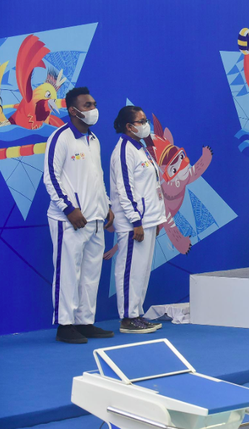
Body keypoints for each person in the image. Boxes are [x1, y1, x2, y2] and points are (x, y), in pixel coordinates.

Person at [43, 87, 115, 344]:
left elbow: (97, 178)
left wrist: (107, 206)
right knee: (68, 272)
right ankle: (65, 325)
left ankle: (85, 322)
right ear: (73, 110)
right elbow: (51, 177)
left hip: (95, 219)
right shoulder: (60, 138)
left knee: (91, 273)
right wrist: (68, 209)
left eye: (94, 103)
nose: (93, 109)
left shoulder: (94, 140)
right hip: (69, 220)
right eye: (87, 105)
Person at [110, 106, 167, 333]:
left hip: (148, 221)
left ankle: (137, 313)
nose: (146, 124)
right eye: (141, 121)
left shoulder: (140, 148)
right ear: (129, 127)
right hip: (134, 223)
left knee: (141, 271)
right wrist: (136, 222)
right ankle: (127, 318)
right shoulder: (124, 150)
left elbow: (151, 186)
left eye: (145, 120)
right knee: (130, 269)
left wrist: (156, 219)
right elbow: (125, 189)